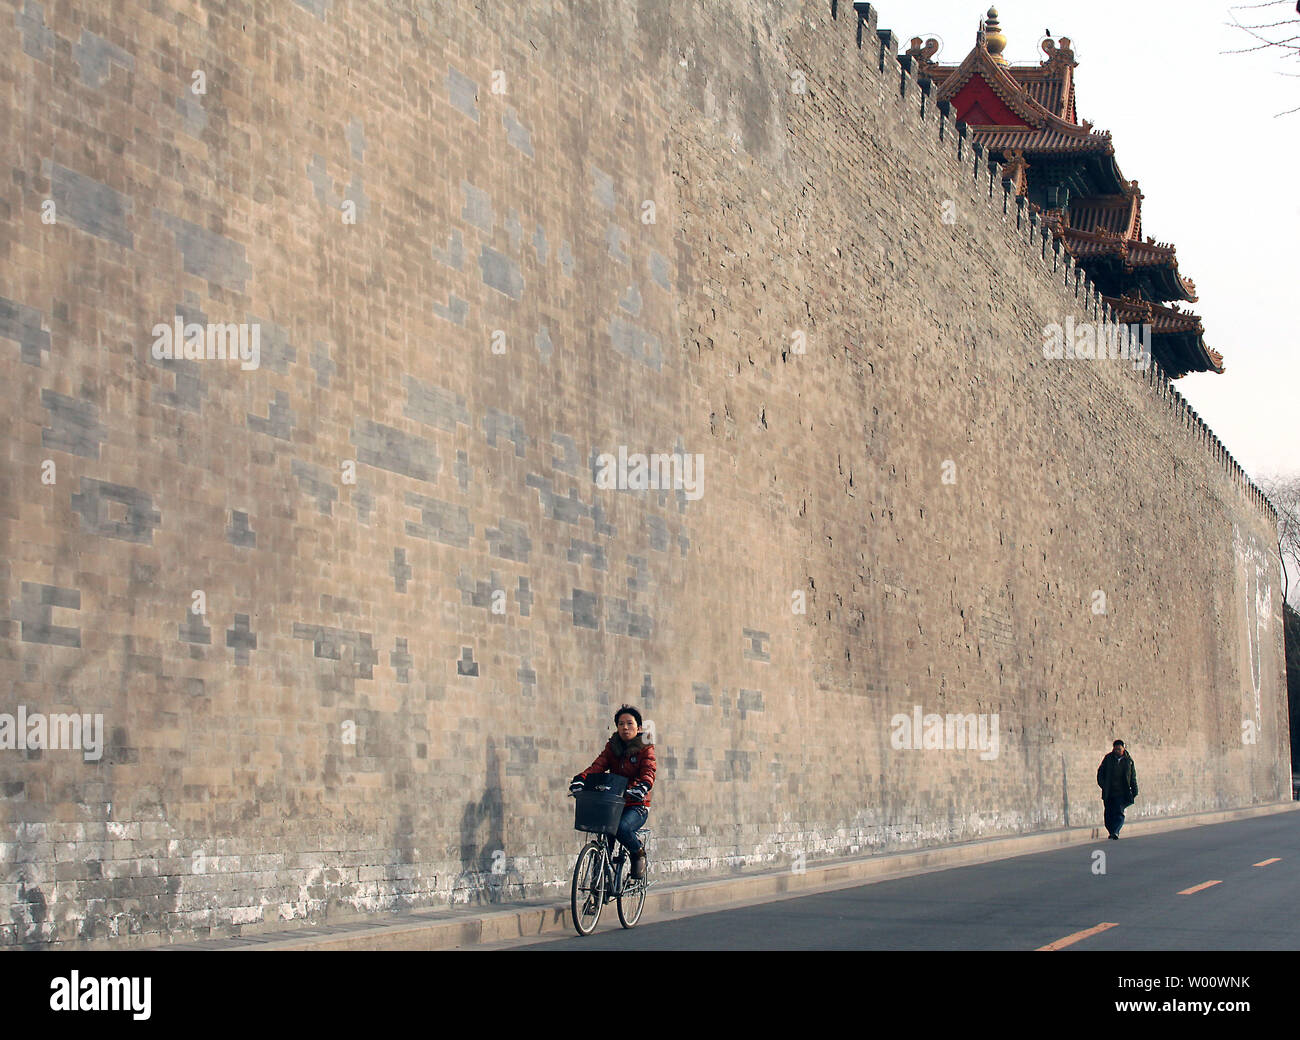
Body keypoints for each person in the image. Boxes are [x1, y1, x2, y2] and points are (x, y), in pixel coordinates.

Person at [570, 705, 655, 879]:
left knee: (622, 828)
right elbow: (598, 766)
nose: (625, 727)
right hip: (613, 804)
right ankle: (597, 891)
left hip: (636, 805)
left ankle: (638, 852)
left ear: (638, 728)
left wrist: (643, 786)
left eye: (629, 723)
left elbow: (649, 770)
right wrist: (582, 778)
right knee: (604, 837)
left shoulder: (645, 748)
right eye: (621, 724)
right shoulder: (613, 747)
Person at [1097, 739, 1138, 839]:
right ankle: (1111, 831)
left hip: (1122, 792)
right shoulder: (1108, 759)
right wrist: (1104, 785)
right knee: (1108, 813)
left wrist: (1134, 790)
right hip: (1109, 792)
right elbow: (1100, 773)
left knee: (1119, 812)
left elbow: (1132, 777)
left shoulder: (1129, 761)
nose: (1117, 751)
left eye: (1119, 749)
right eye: (1115, 749)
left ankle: (1116, 831)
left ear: (1123, 749)